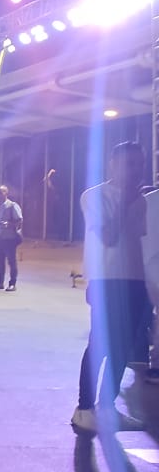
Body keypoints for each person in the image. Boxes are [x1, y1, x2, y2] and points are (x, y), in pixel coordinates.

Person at [74, 142, 149, 435]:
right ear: (112, 164)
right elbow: (108, 237)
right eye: (129, 163)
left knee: (122, 349)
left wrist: (147, 283)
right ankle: (84, 409)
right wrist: (126, 200)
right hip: (106, 281)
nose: (136, 170)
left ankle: (107, 407)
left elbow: (136, 242)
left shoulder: (141, 201)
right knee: (100, 345)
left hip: (134, 281)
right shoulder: (94, 196)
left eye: (140, 163)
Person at [0, 184, 23, 291]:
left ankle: (12, 283)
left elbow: (19, 220)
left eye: (1, 192)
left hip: (9, 238)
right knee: (0, 261)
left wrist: (9, 224)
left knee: (11, 261)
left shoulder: (12, 206)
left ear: (6, 193)